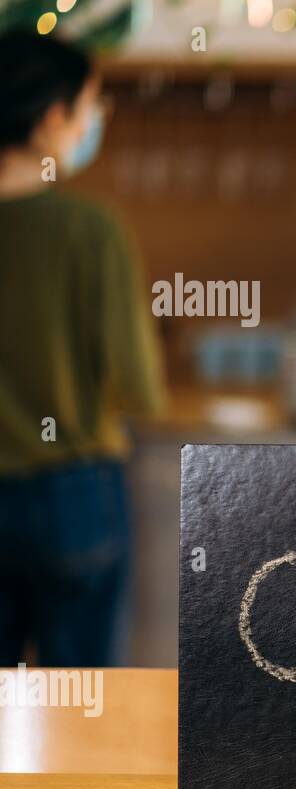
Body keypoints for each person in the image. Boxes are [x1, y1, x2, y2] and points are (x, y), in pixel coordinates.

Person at [0, 31, 166, 666]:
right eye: (91, 106)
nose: (94, 123)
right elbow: (137, 381)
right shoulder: (90, 230)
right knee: (84, 706)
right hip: (72, 495)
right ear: (51, 119)